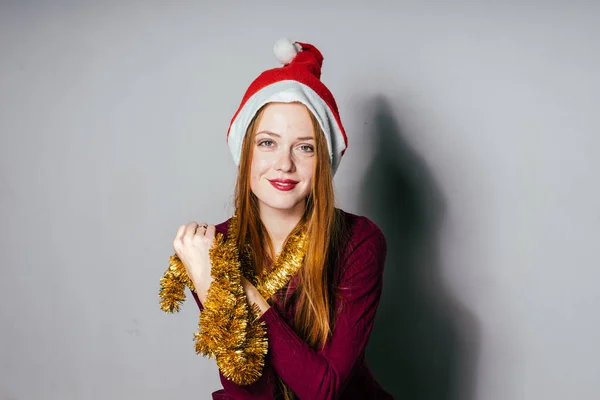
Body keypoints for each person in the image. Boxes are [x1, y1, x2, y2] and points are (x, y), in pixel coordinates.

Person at [172, 39, 394, 400]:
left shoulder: (360, 240)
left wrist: (230, 282)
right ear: (245, 153)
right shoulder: (214, 246)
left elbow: (322, 390)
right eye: (267, 143)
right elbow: (250, 391)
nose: (284, 164)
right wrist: (209, 284)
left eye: (304, 147)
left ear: (323, 160)